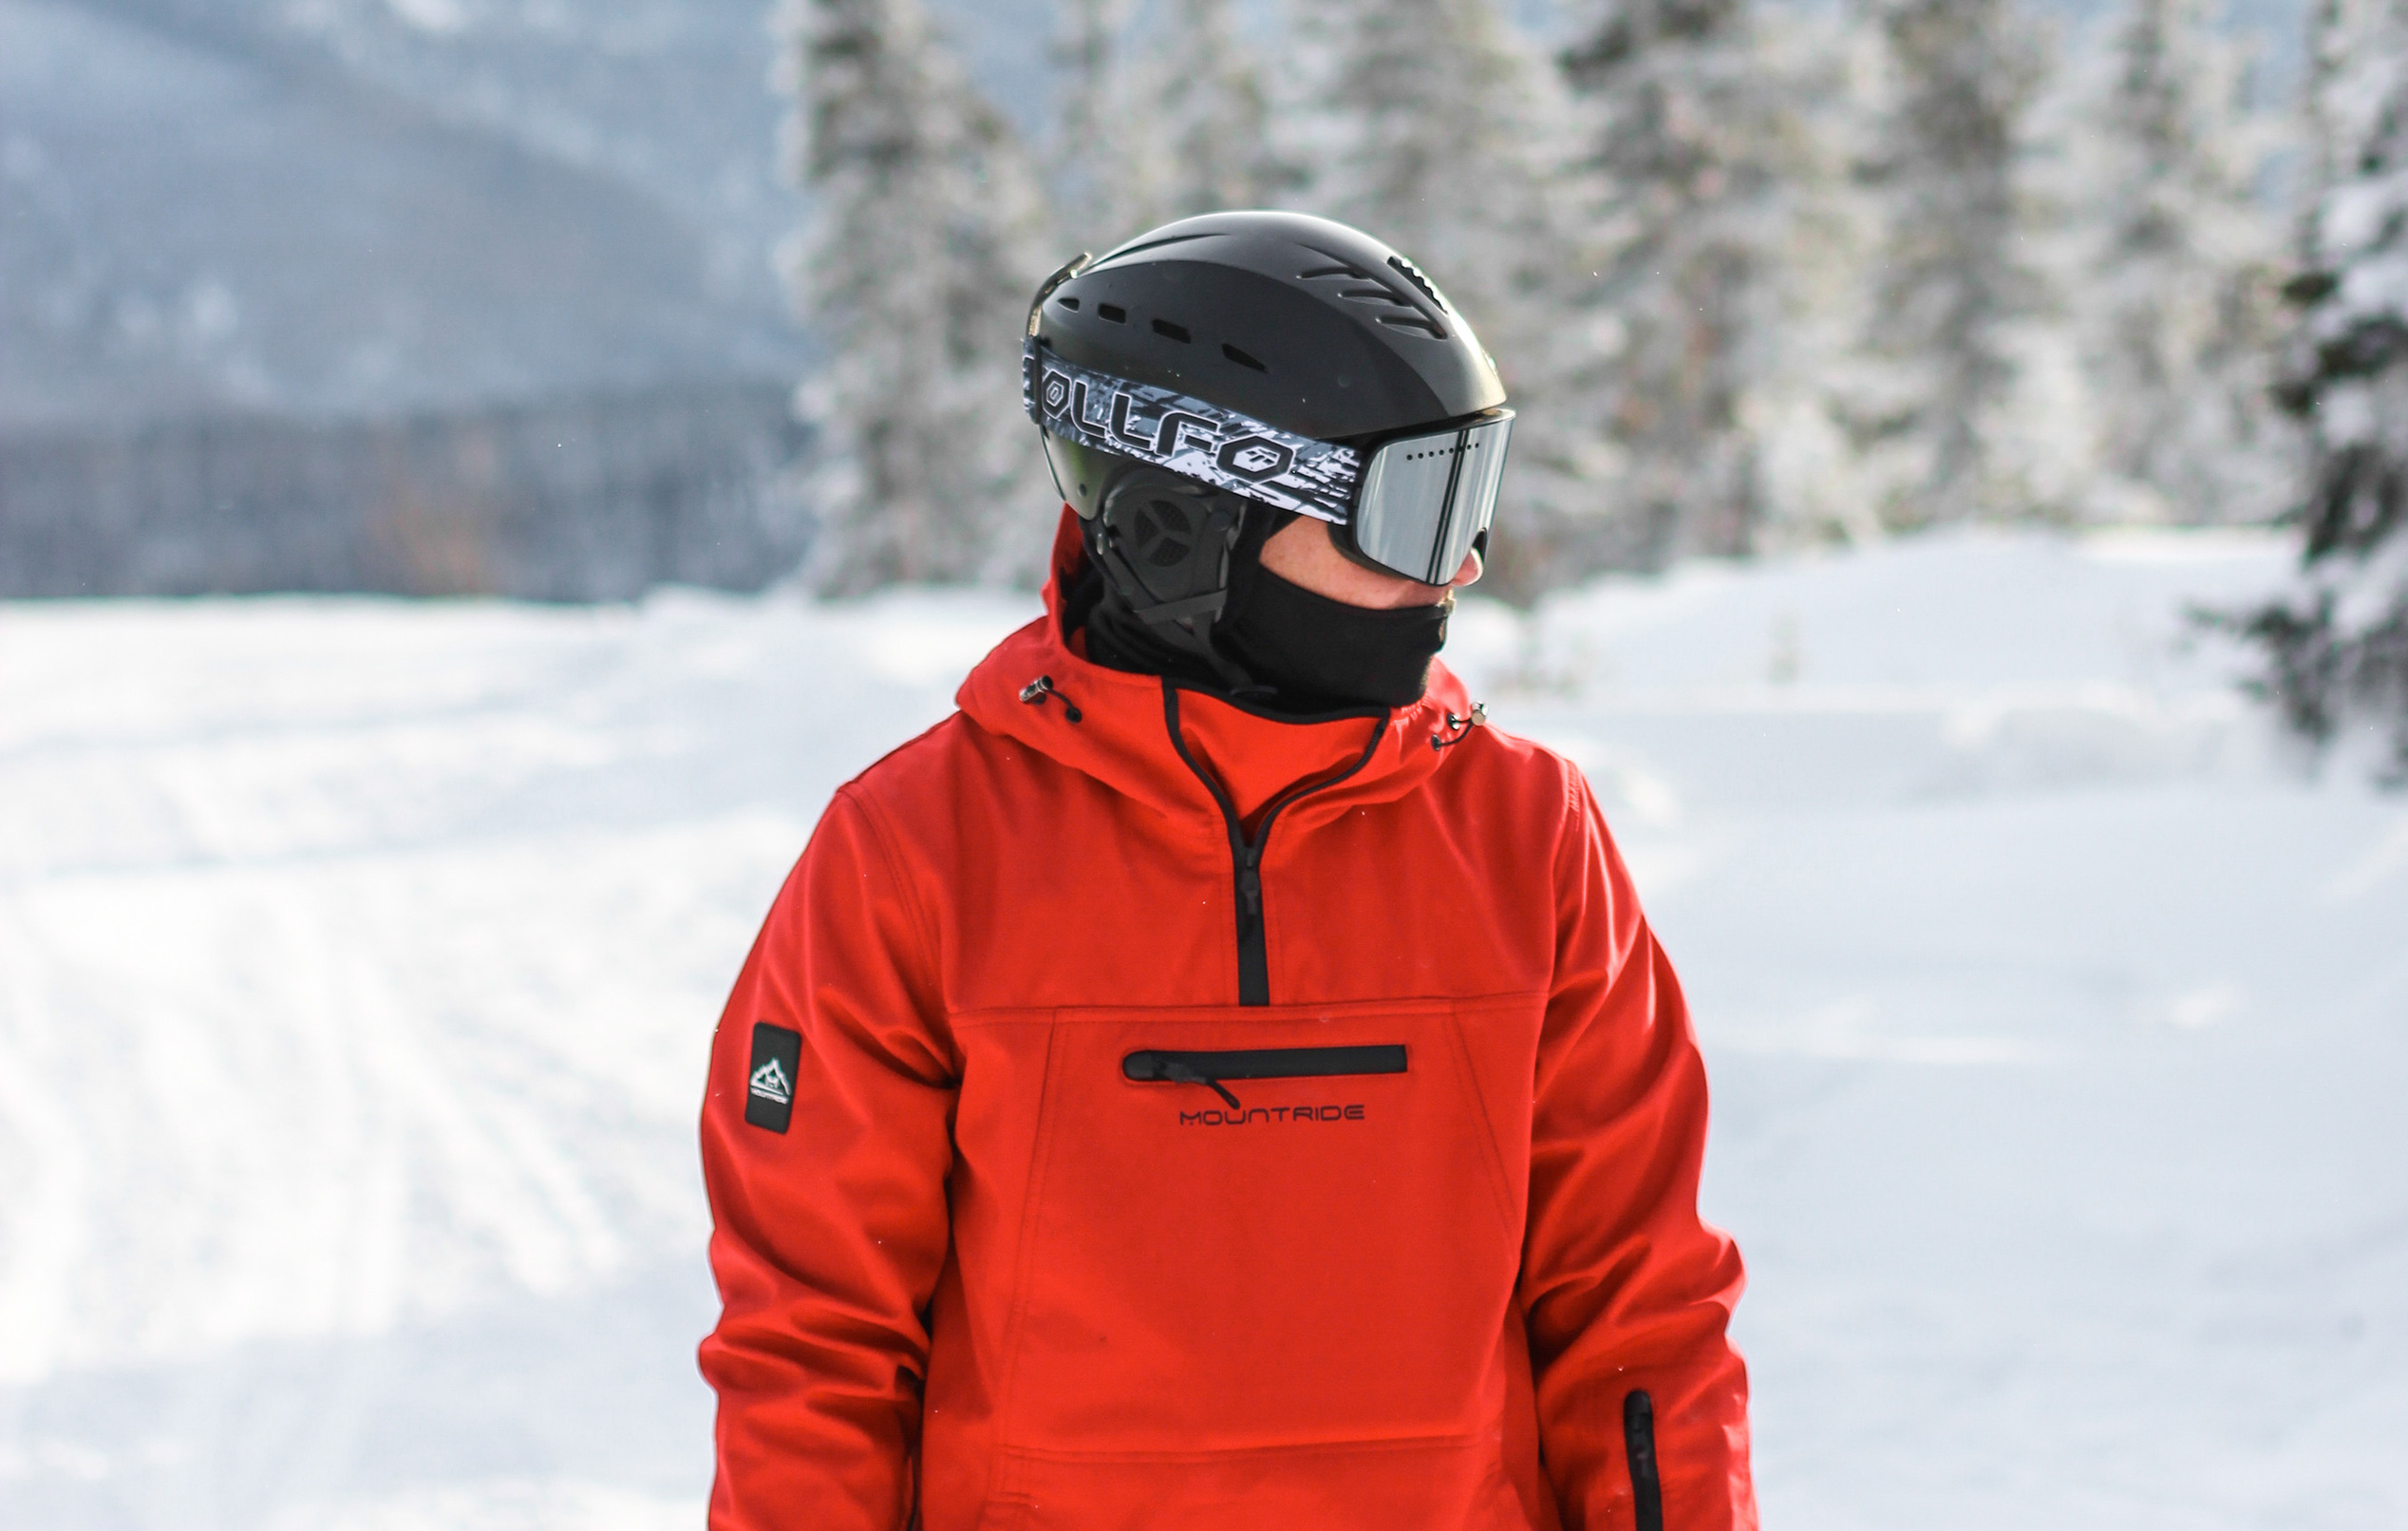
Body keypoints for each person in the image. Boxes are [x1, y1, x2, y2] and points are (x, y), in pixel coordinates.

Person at [700, 209, 1758, 1530]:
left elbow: (1640, 1319)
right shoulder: (918, 855)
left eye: (1471, 497)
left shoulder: (1524, 834)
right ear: (1180, 528)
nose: (1467, 564)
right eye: (1414, 508)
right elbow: (814, 1354)